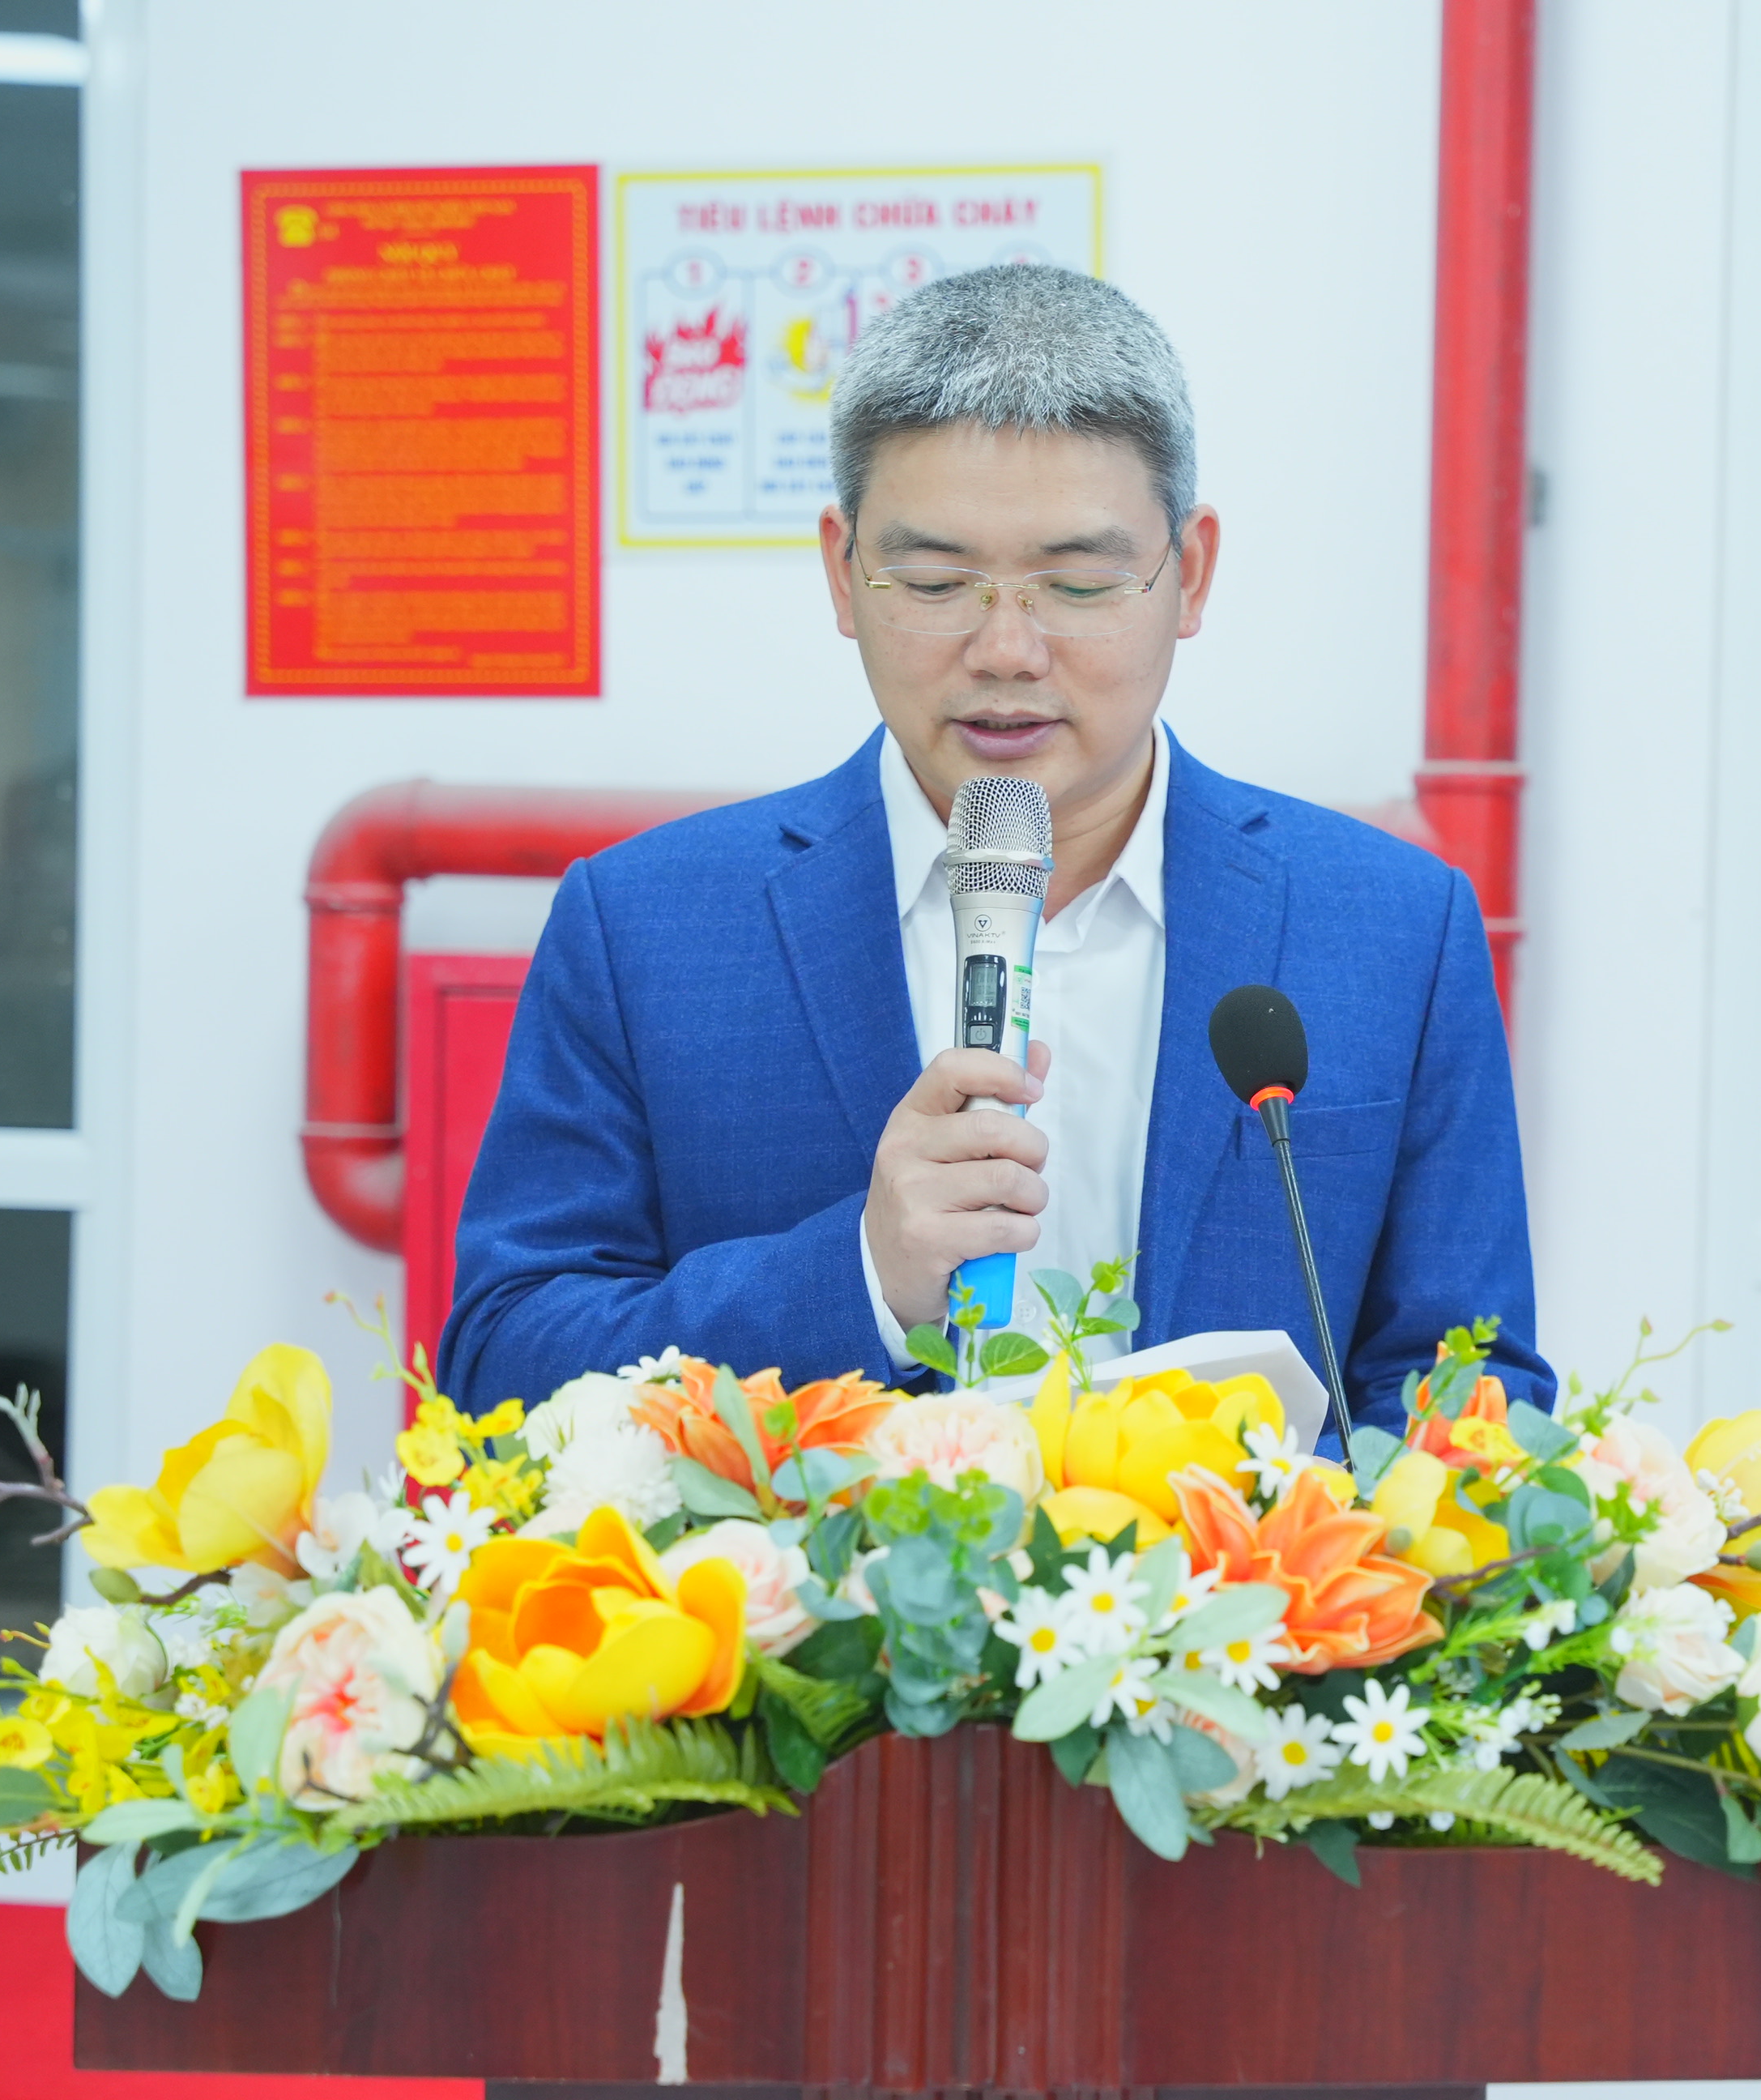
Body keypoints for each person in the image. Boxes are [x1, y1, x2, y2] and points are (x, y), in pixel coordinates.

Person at [442, 267, 1546, 1438]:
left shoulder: (1392, 931)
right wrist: (859, 1276)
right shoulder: (648, 929)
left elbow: (1469, 1391)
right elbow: (504, 1365)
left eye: (1078, 582)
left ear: (1191, 574)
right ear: (842, 572)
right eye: (935, 581)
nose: (1008, 649)